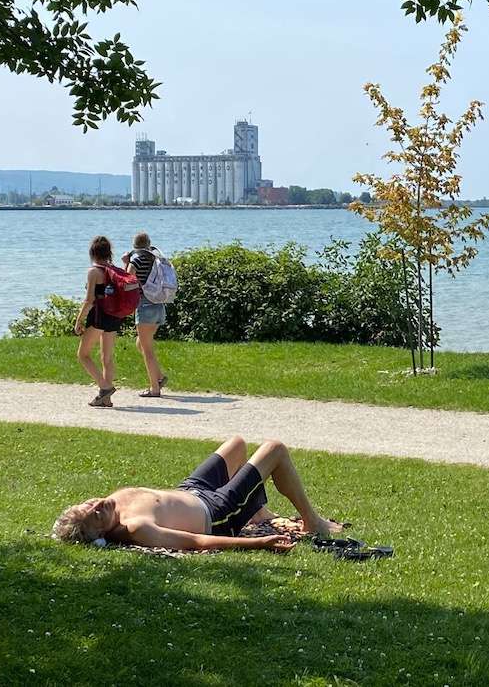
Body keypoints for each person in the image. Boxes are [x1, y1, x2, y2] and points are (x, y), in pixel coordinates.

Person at [52, 436, 344, 551]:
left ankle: (258, 513)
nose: (98, 505)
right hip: (217, 512)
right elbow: (195, 541)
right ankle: (312, 521)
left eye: (88, 504)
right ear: (104, 532)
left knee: (236, 445)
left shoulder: (111, 505)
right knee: (275, 450)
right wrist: (258, 544)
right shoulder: (136, 528)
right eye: (97, 515)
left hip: (193, 490)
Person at [73, 235, 122, 408]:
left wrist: (79, 320)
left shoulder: (93, 272)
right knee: (106, 358)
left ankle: (105, 388)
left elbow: (89, 301)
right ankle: (106, 400)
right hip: (114, 316)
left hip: (98, 317)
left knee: (83, 354)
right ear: (109, 253)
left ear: (92, 253)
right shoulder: (113, 269)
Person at [122, 231, 167, 398]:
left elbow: (126, 280)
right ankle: (160, 377)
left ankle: (154, 388)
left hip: (145, 306)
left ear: (134, 246)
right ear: (148, 244)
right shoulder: (155, 259)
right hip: (158, 305)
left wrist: (126, 263)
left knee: (146, 349)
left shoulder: (136, 260)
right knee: (141, 344)